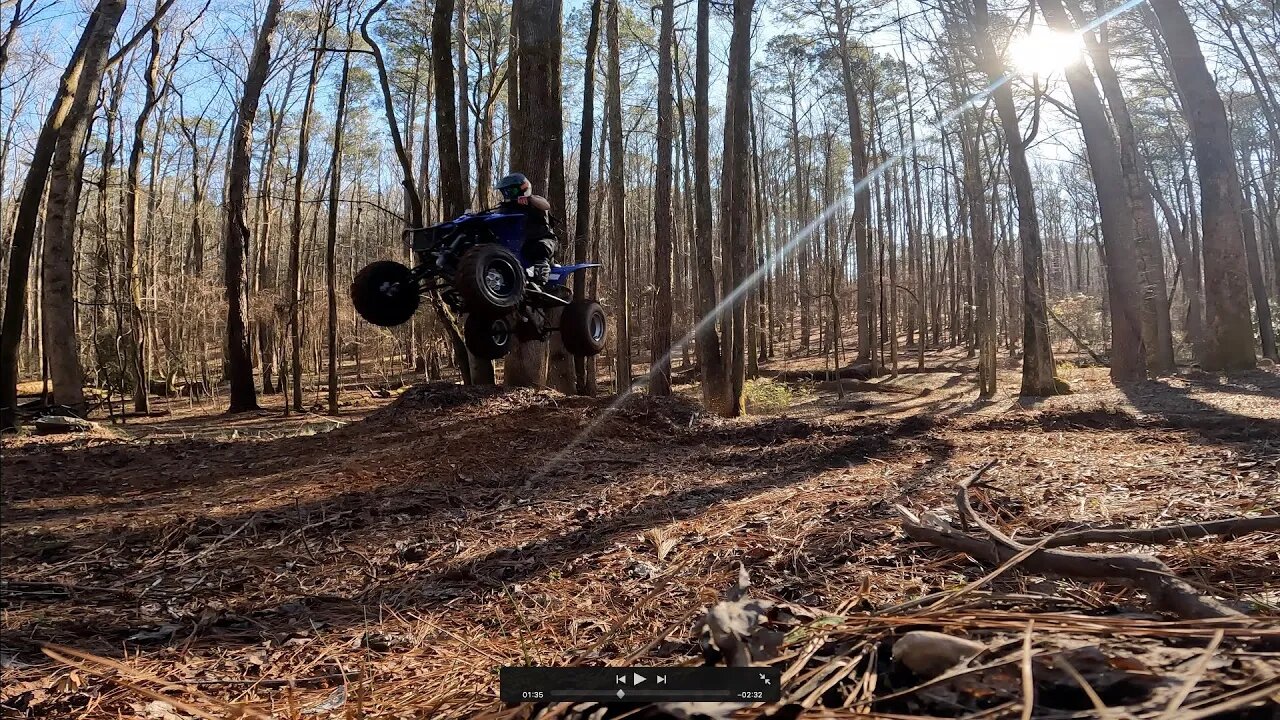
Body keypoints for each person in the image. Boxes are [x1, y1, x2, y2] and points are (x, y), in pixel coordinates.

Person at [496, 172, 557, 286]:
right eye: (506, 191)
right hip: (519, 246)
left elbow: (545, 205)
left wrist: (529, 199)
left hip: (542, 241)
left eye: (512, 191)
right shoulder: (505, 208)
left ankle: (542, 274)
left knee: (541, 247)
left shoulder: (535, 202)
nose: (509, 194)